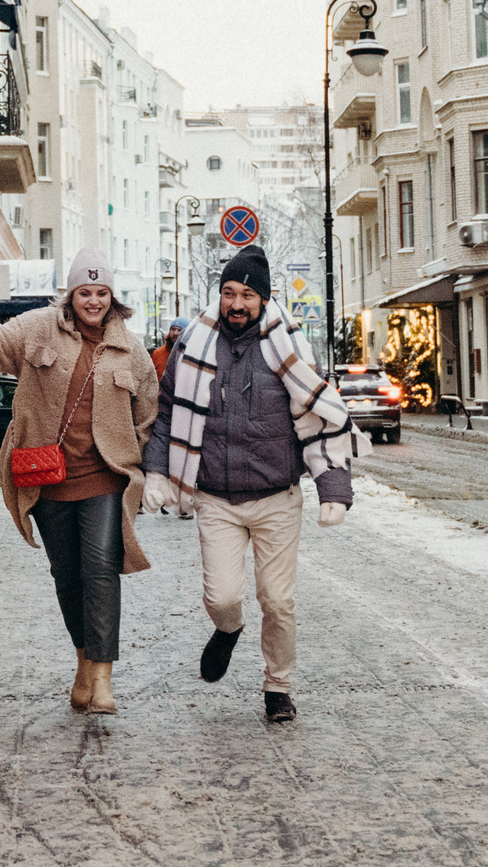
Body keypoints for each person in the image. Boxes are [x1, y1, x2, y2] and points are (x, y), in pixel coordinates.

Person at [0, 250, 157, 714]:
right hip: (47, 478)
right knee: (67, 576)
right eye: (85, 292)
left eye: (101, 293)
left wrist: (147, 472)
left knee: (100, 570)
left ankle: (102, 678)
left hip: (105, 479)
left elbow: (148, 418)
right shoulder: (39, 328)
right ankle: (82, 663)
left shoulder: (131, 350)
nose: (93, 301)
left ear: (112, 298)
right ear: (71, 295)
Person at [143, 246, 356, 724]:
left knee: (278, 601)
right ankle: (229, 629)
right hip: (215, 498)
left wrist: (333, 490)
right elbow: (168, 412)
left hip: (276, 498)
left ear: (263, 299)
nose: (236, 304)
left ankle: (278, 686)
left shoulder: (288, 348)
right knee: (222, 598)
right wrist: (157, 472)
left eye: (246, 295)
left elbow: (319, 419)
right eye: (228, 293)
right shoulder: (193, 344)